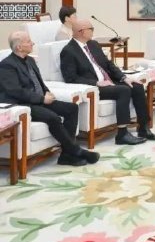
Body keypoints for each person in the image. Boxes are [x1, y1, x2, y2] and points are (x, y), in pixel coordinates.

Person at [0, 31, 99, 166]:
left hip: (40, 99)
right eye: (28, 41)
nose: (32, 43)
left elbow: (39, 82)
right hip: (24, 105)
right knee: (53, 117)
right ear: (19, 47)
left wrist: (47, 92)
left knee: (71, 108)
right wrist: (42, 99)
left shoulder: (30, 60)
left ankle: (66, 155)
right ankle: (76, 150)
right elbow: (16, 91)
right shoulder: (7, 65)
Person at [60, 19, 154, 145]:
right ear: (81, 32)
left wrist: (124, 77)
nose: (93, 31)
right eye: (91, 29)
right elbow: (71, 78)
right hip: (95, 87)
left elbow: (109, 64)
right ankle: (122, 134)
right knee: (124, 90)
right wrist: (96, 83)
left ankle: (143, 127)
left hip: (109, 81)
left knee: (136, 86)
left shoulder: (93, 44)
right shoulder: (68, 51)